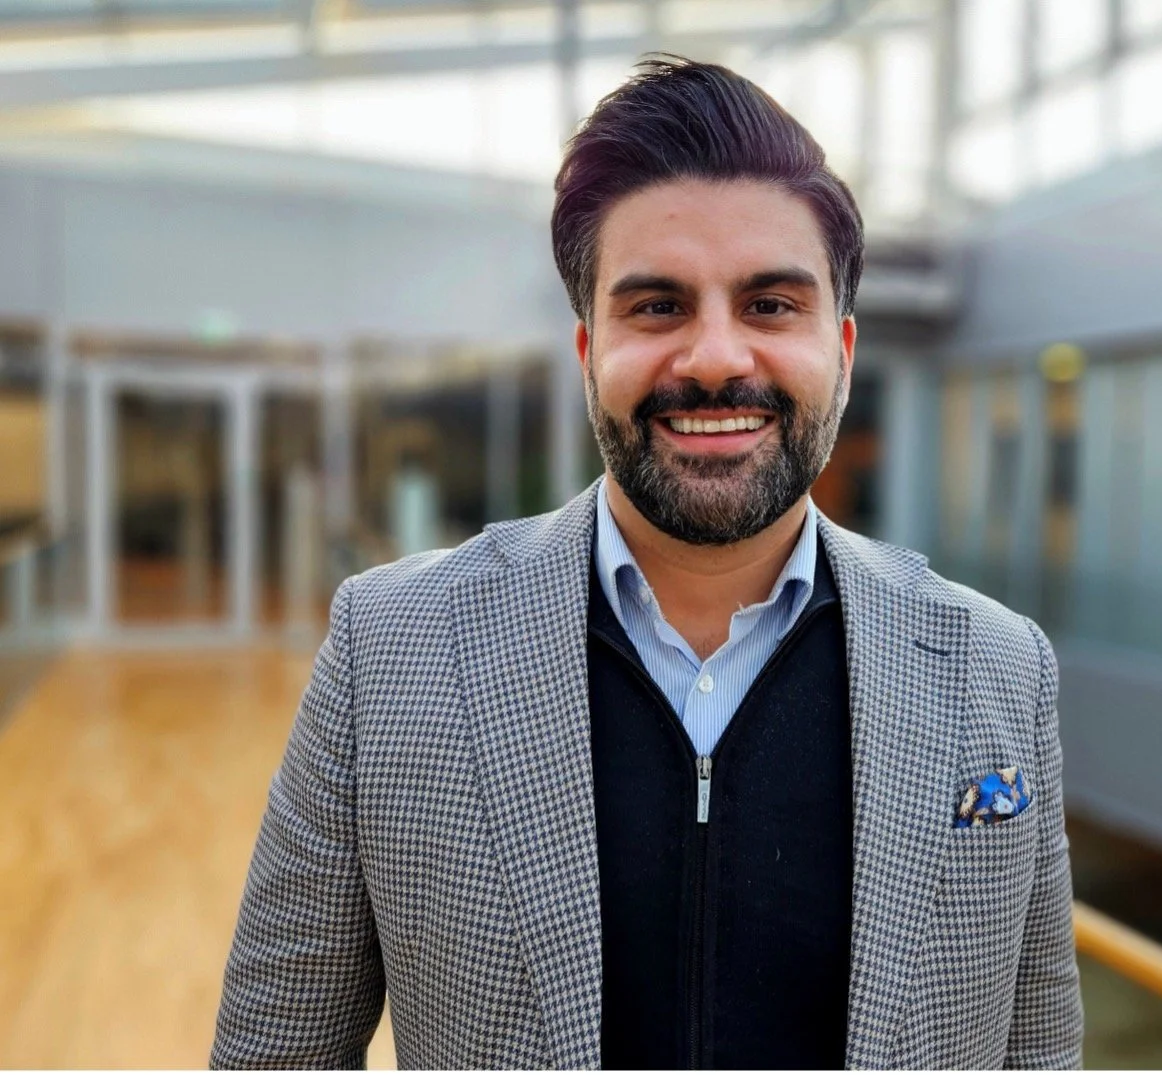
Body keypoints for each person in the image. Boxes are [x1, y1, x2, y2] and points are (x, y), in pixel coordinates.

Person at [211, 56, 1082, 1070]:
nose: (714, 358)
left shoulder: (996, 668)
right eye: (658, 306)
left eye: (769, 305)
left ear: (842, 353)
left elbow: (1040, 1055)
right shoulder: (392, 651)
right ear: (588, 352)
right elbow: (273, 1052)